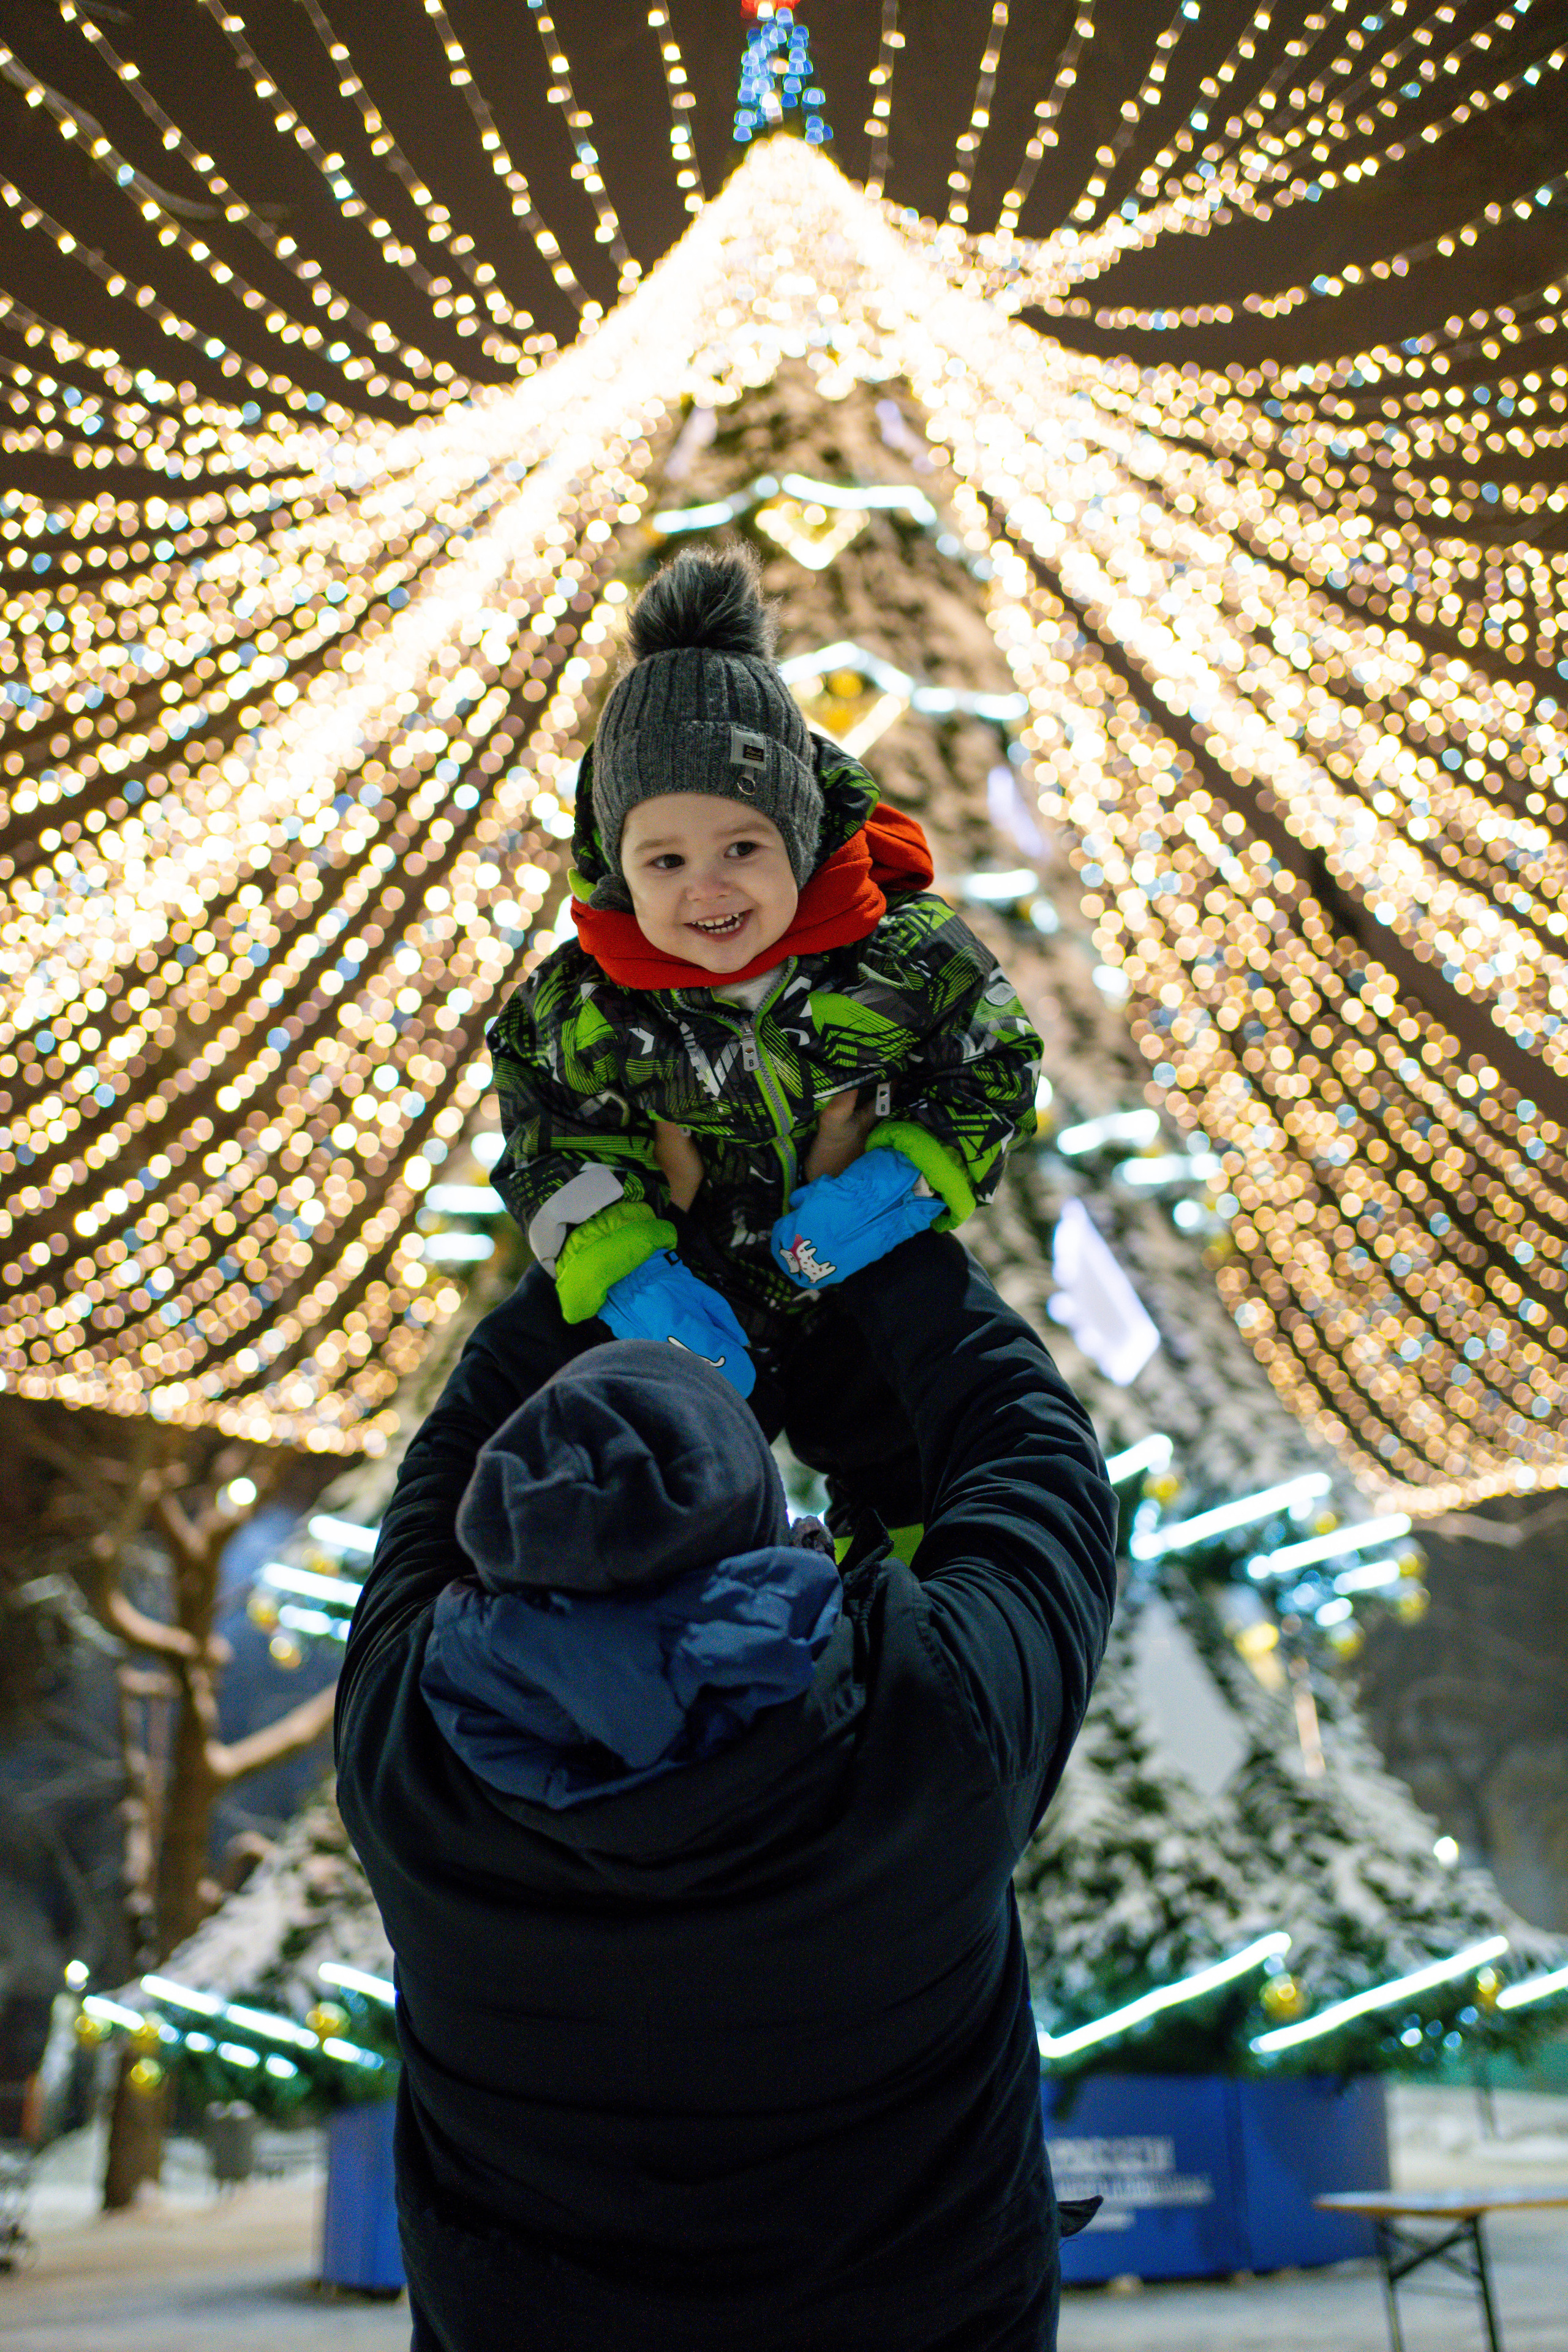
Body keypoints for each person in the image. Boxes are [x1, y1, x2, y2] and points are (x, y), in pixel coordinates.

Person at [335, 1221, 1117, 2351]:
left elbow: (432, 1484)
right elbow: (1035, 1466)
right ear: (763, 1527)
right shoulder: (924, 1712)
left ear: (494, 1526)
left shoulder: (410, 1751)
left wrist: (609, 1237)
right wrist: (855, 1227)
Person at [483, 540, 1042, 1543]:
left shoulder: (899, 952)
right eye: (666, 860)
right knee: (659, 1472)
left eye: (743, 847)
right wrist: (627, 1265)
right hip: (690, 1287)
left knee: (904, 1447)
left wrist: (898, 1183)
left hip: (859, 1278)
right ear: (619, 869)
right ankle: (699, 1606)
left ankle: (898, 1593)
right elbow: (545, 1133)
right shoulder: (585, 1006)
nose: (708, 888)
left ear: (801, 832)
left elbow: (994, 1057)